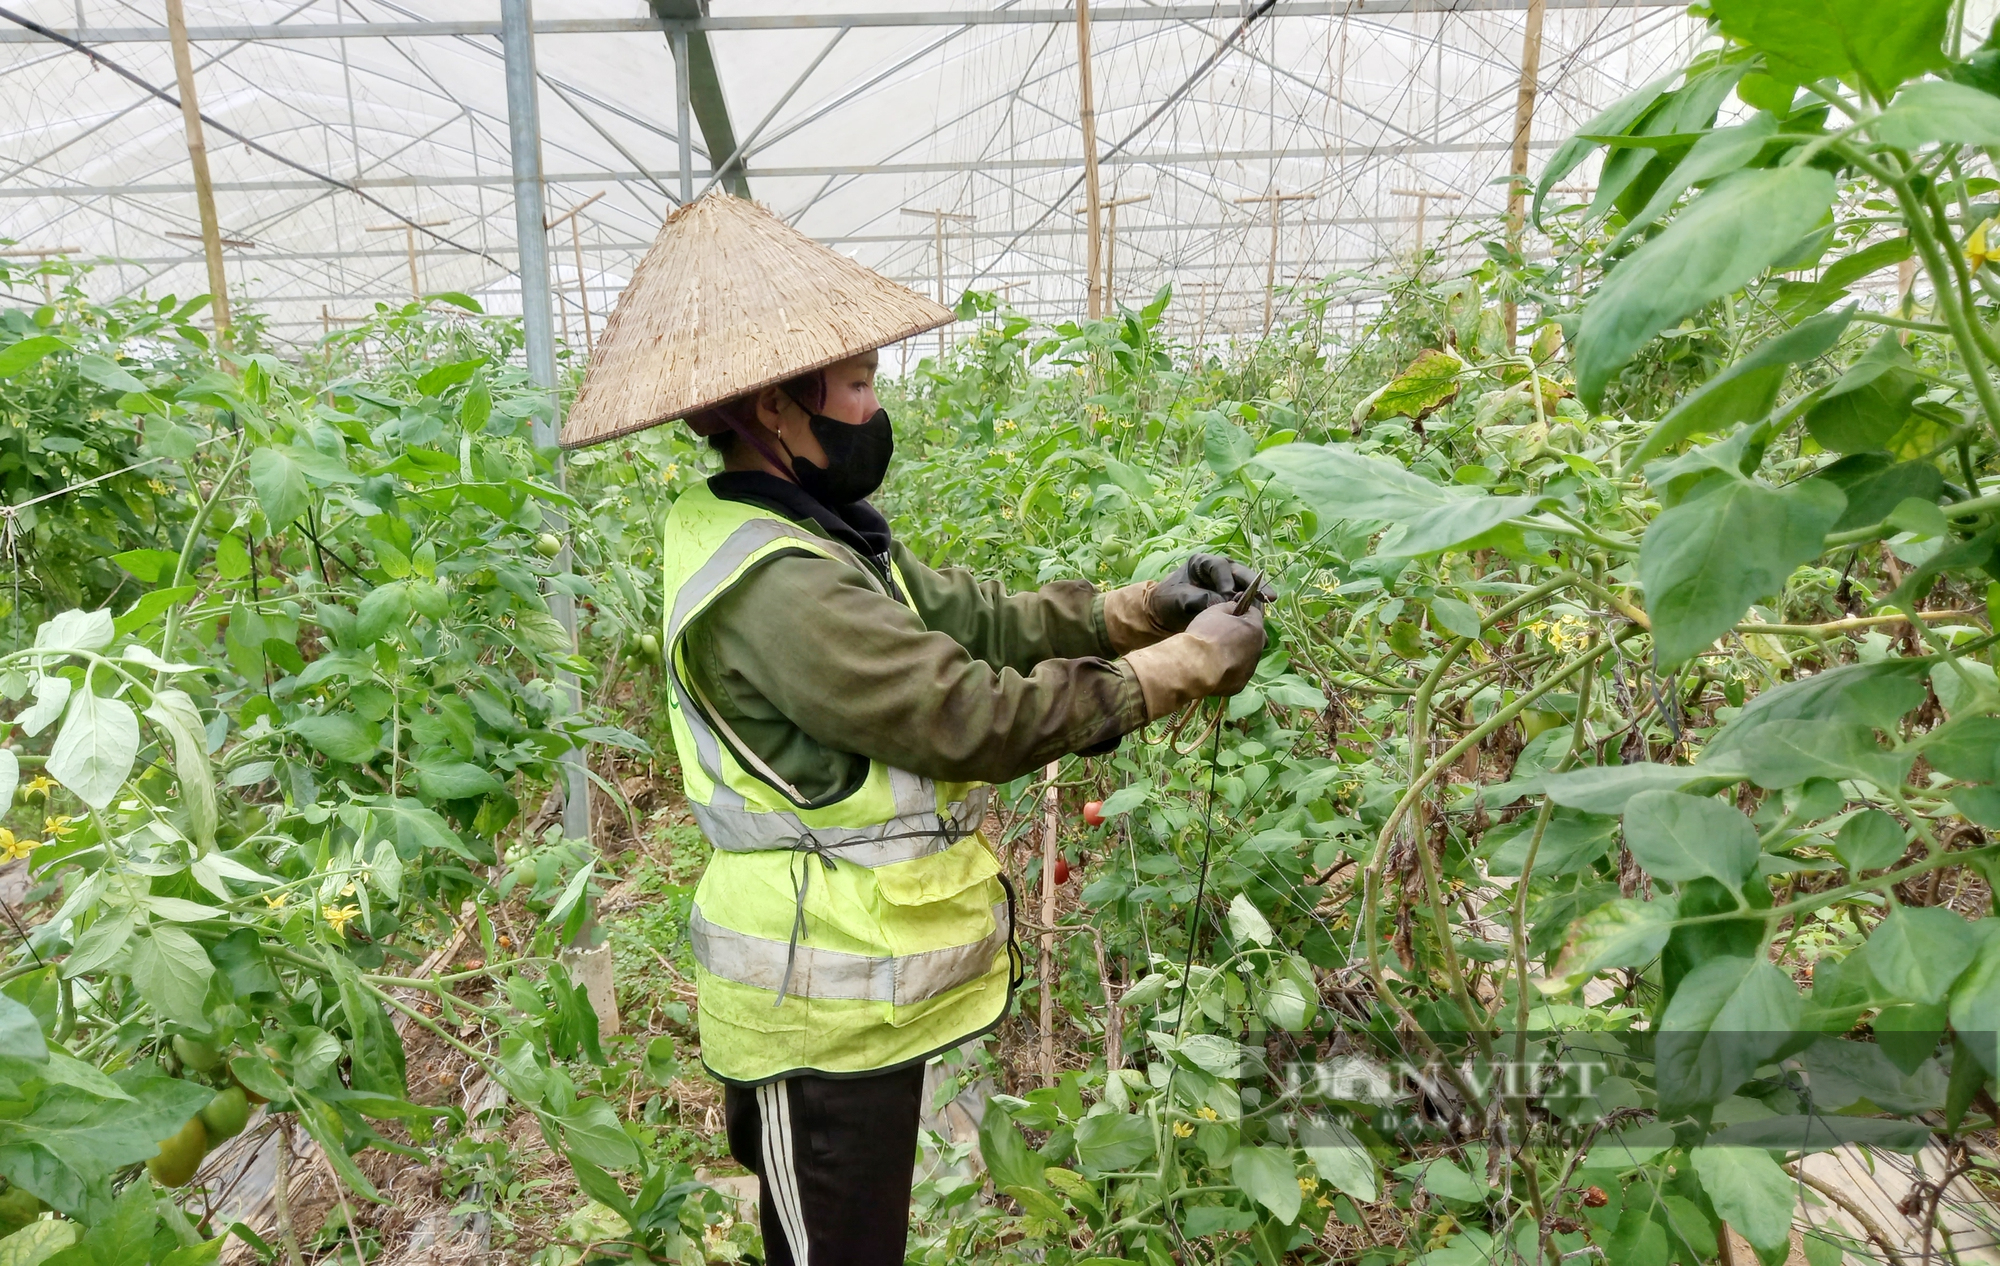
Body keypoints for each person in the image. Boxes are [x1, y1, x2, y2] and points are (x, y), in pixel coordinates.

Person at [562, 191, 1268, 1266]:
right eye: (856, 384)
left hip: (854, 996)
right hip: (815, 1011)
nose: (872, 406)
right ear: (773, 408)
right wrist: (1175, 671)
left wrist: (1146, 605)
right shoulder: (777, 589)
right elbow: (965, 715)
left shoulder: (810, 539)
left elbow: (980, 618)